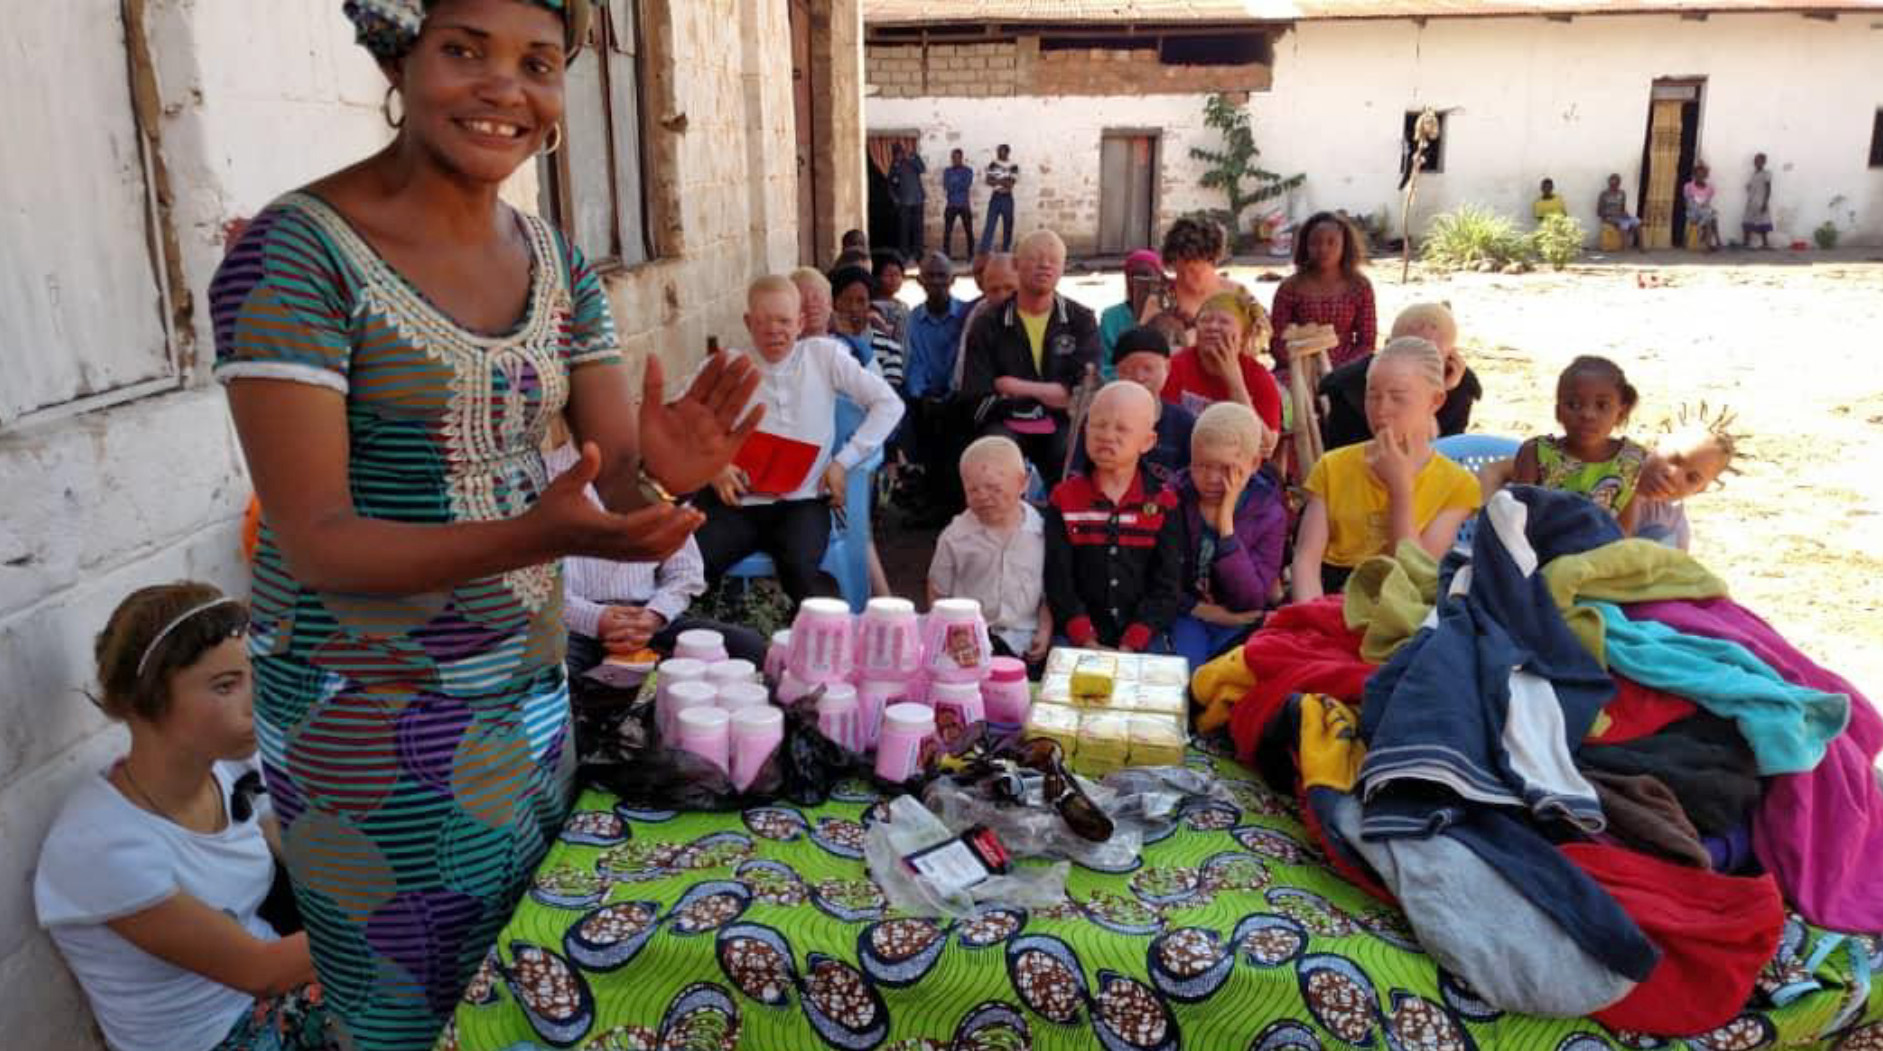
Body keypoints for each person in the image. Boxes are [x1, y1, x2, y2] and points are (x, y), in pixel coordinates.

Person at [209, 4, 763, 1047]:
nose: (504, 87)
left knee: (523, 976)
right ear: (397, 56)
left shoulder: (555, 261)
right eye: (465, 49)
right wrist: (543, 535)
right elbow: (320, 538)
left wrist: (662, 471)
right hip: (364, 716)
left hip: (523, 691)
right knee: (403, 1012)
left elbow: (610, 476)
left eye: (537, 63)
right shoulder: (293, 258)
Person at [36, 583, 333, 1051]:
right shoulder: (102, 845)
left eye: (253, 675)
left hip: (280, 991)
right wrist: (394, 919)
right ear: (144, 701)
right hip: (219, 1035)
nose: (255, 700)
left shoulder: (231, 765)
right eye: (225, 686)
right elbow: (261, 971)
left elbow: (303, 854)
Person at [695, 277, 902, 602]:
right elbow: (682, 421)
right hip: (740, 502)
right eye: (763, 321)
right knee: (694, 564)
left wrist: (842, 461)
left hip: (803, 501)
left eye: (784, 321)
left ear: (800, 322)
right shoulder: (728, 365)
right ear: (749, 322)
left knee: (802, 573)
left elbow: (890, 404)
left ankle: (810, 644)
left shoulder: (824, 356)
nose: (774, 330)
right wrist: (715, 467)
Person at [546, 441, 767, 677]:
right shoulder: (543, 475)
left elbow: (685, 571)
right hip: (575, 625)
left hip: (647, 619)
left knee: (747, 647)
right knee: (553, 674)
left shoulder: (656, 473)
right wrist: (596, 619)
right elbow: (538, 588)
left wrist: (654, 615)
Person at [1291, 337, 1481, 602]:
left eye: (1398, 398)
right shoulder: (1332, 467)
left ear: (1435, 401)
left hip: (1401, 609)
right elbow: (1305, 563)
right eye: (1372, 395)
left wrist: (1400, 489)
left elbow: (1412, 578)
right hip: (1328, 600)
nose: (1381, 410)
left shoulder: (1458, 485)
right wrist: (1313, 621)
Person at [1044, 382, 1184, 652]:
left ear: (1147, 442)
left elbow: (1167, 585)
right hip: (1078, 634)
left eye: (1121, 428)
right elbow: (1058, 580)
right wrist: (1086, 639)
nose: (1107, 436)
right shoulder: (1064, 499)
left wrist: (1132, 643)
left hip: (1144, 634)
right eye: (1098, 425)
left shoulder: (1163, 502)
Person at [960, 231, 1099, 485]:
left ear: (1063, 267)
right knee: (995, 457)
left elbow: (1083, 395)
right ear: (1016, 265)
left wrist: (1014, 387)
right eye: (1035, 257)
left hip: (1061, 425)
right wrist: (1045, 399)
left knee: (1072, 456)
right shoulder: (987, 325)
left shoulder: (1081, 320)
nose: (1045, 264)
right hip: (1005, 423)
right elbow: (976, 398)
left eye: (1053, 259)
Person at [1169, 403, 1288, 669]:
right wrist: (1201, 610)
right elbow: (1159, 575)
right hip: (1185, 614)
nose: (1211, 478)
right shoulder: (1174, 498)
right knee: (1186, 676)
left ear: (1254, 464)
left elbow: (1251, 599)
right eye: (1201, 465)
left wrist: (1226, 528)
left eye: (1226, 469)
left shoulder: (1269, 514)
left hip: (1242, 622)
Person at [928, 436, 1051, 664]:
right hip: (970, 640)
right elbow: (938, 590)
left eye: (994, 488)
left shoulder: (1042, 532)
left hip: (1025, 639)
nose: (983, 497)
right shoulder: (956, 537)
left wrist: (1044, 632)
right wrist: (950, 634)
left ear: (1022, 483)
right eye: (973, 490)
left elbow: (1049, 594)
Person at [1511, 355, 1649, 532]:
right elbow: (1515, 522)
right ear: (1558, 411)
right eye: (1574, 404)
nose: (1587, 414)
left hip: (1606, 555)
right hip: (1541, 553)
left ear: (1621, 412)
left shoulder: (1632, 461)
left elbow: (1624, 534)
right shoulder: (1536, 454)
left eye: (1601, 405)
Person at [1319, 302, 1482, 451]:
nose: (1415, 365)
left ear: (1449, 359)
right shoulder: (1349, 387)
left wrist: (1438, 393)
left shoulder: (1461, 388)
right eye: (1406, 350)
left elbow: (1447, 456)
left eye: (1428, 356)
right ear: (1387, 347)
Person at [1071, 326, 1195, 480]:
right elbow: (1077, 473)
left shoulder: (1184, 423)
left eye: (1148, 369)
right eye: (1128, 370)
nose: (1139, 377)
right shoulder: (1097, 416)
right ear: (1117, 372)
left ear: (1167, 368)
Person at [904, 252, 974, 519]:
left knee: (954, 428)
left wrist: (950, 395)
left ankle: (950, 501)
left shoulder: (966, 315)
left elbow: (964, 361)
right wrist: (920, 394)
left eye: (942, 276)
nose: (936, 282)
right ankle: (930, 496)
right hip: (926, 397)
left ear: (952, 280)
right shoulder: (914, 318)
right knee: (917, 418)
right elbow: (915, 361)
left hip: (957, 396)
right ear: (920, 281)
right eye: (930, 276)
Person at [1161, 287, 1284, 435]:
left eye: (1224, 322)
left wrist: (1235, 381)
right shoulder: (1175, 366)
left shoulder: (1257, 376)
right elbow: (1166, 430)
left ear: (1243, 337)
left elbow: (1266, 445)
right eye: (1205, 320)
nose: (1213, 327)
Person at [1269, 211, 1377, 379]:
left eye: (1331, 242)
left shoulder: (1360, 286)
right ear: (1305, 246)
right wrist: (1305, 366)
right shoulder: (1290, 288)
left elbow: (1367, 342)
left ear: (1344, 246)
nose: (1323, 249)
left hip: (1347, 370)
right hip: (1297, 368)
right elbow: (1277, 341)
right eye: (1314, 243)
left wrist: (1340, 371)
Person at [1633, 403, 1741, 549]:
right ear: (1656, 443)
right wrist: (1633, 489)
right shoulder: (1608, 470)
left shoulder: (1674, 530)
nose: (1674, 475)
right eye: (1675, 458)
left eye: (1691, 478)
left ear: (1699, 490)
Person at [1153, 218, 1241, 345]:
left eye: (1194, 271)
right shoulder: (1160, 299)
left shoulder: (1238, 295)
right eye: (1180, 272)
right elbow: (1144, 347)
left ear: (1213, 261)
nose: (1186, 279)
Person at [829, 265, 903, 383]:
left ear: (870, 305)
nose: (853, 308)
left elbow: (888, 396)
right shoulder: (823, 344)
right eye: (846, 300)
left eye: (861, 301)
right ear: (834, 303)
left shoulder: (890, 349)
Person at [1099, 249, 1165, 379]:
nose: (1138, 282)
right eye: (1133, 276)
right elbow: (1104, 367)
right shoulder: (1110, 317)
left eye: (1146, 275)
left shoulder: (1170, 315)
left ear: (1159, 278)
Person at [978, 144, 1019, 255]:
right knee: (990, 224)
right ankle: (984, 251)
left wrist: (997, 180)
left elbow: (1010, 184)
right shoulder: (993, 164)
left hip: (1007, 198)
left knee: (1008, 224)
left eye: (1002, 151)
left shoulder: (1013, 166)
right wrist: (1003, 180)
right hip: (995, 196)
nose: (999, 153)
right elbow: (988, 181)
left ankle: (1006, 250)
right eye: (998, 151)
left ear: (1007, 152)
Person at [889, 143, 927, 258]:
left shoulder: (912, 161)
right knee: (904, 229)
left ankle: (918, 251)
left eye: (900, 153)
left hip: (917, 200)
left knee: (918, 227)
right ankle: (904, 252)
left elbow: (922, 169)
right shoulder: (894, 166)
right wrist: (895, 198)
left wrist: (913, 157)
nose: (898, 156)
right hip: (904, 202)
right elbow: (891, 184)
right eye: (896, 154)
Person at [870, 250, 912, 349]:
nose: (894, 280)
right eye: (888, 275)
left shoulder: (903, 306)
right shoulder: (872, 306)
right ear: (877, 277)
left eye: (897, 275)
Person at [941, 148, 977, 260]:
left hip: (964, 205)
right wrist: (957, 185)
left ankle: (971, 254)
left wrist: (954, 184)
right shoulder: (947, 171)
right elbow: (947, 186)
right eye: (953, 158)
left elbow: (966, 185)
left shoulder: (968, 171)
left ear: (961, 158)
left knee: (969, 231)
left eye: (957, 157)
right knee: (947, 232)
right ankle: (946, 255)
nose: (955, 160)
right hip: (951, 205)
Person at [1597, 174, 1644, 251]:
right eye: (1612, 184)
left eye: (1616, 184)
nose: (1614, 186)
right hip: (1609, 217)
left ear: (1619, 184)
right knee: (1624, 224)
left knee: (1638, 222)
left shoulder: (1622, 193)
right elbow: (1599, 212)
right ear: (1609, 183)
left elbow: (1622, 207)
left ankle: (1642, 247)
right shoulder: (1604, 194)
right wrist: (1611, 215)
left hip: (1621, 216)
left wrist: (1625, 213)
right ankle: (1626, 248)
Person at [1683, 164, 1721, 252]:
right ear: (1694, 175)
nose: (1700, 177)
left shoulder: (1709, 188)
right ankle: (1715, 242)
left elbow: (1707, 203)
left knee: (1711, 216)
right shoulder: (1688, 186)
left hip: (1704, 212)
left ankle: (1708, 243)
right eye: (1698, 175)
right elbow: (1687, 203)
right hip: (1693, 212)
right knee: (1711, 216)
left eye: (1702, 175)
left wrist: (1704, 207)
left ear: (1705, 176)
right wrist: (1697, 207)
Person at [790, 266, 835, 338]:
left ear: (830, 303)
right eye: (802, 298)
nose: (810, 304)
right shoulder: (785, 348)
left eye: (816, 297)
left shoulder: (849, 346)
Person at [1742, 153, 1774, 249]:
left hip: (1761, 201)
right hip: (1751, 201)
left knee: (1762, 223)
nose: (1756, 162)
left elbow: (1768, 189)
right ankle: (1746, 242)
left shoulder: (1766, 174)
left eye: (1759, 160)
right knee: (1747, 221)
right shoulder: (1753, 174)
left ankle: (1765, 243)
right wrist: (1748, 187)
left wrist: (1765, 202)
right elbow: (1750, 186)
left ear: (1764, 162)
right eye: (1755, 160)